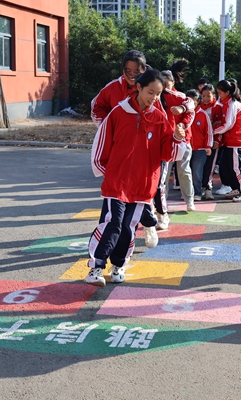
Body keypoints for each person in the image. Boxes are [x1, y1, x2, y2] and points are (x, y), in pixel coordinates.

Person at [87, 69, 187, 287]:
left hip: (143, 186)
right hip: (117, 183)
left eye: (158, 94)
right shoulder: (118, 113)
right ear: (139, 87)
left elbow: (166, 154)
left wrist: (178, 139)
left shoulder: (159, 118)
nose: (154, 98)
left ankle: (118, 265)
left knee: (127, 228)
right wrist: (109, 173)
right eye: (151, 92)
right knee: (112, 223)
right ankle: (96, 267)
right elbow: (101, 147)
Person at [159, 62, 196, 212]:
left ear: (173, 82)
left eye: (168, 84)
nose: (165, 87)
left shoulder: (180, 97)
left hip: (182, 139)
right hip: (164, 141)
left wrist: (182, 124)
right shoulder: (156, 96)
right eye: (163, 84)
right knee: (163, 174)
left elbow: (191, 107)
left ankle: (189, 201)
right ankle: (161, 203)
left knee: (183, 171)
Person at [213, 79, 241, 203]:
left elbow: (228, 124)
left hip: (236, 140)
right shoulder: (229, 103)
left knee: (237, 168)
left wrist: (212, 131)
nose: (219, 96)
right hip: (231, 140)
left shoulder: (232, 104)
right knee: (227, 166)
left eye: (220, 93)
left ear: (227, 92)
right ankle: (237, 188)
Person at [90, 50, 147, 127]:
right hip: (118, 137)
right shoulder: (112, 87)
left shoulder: (149, 89)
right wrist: (106, 126)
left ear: (144, 70)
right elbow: (96, 106)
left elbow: (160, 116)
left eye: (136, 71)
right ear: (123, 69)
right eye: (128, 71)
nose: (132, 75)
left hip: (143, 136)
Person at [186, 89, 213, 200]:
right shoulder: (183, 113)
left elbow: (209, 132)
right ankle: (188, 193)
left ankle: (197, 193)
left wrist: (208, 146)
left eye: (194, 100)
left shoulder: (203, 114)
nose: (191, 103)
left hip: (200, 149)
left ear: (198, 101)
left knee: (197, 172)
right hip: (186, 147)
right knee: (186, 172)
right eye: (189, 100)